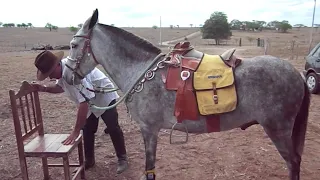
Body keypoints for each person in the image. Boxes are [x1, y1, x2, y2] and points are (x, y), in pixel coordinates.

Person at [31, 50, 128, 174]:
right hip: (90, 99)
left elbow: (84, 103)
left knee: (112, 126)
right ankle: (89, 160)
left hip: (103, 96)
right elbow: (60, 87)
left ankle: (122, 158)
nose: (50, 77)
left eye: (50, 73)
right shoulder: (62, 71)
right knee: (88, 130)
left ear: (57, 65)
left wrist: (75, 131)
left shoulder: (72, 74)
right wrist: (43, 89)